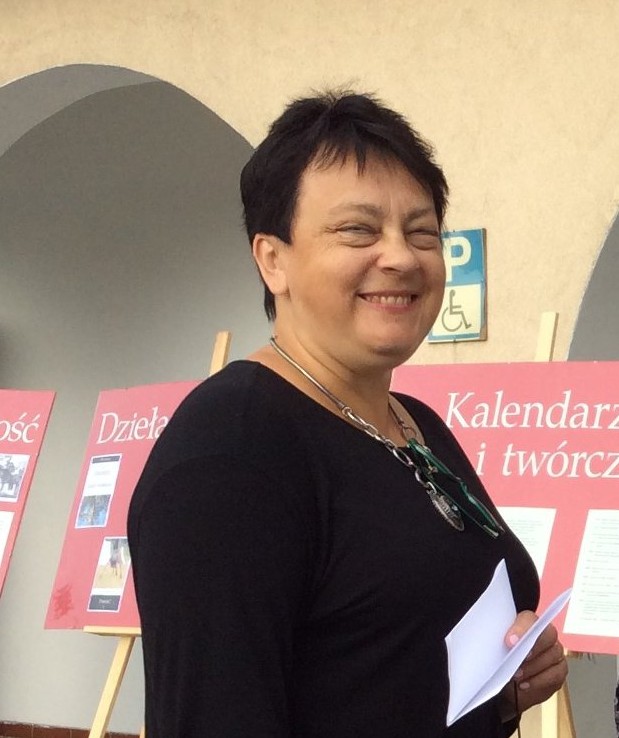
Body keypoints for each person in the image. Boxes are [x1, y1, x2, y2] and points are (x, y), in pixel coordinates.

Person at [128, 90, 568, 737]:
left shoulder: (415, 425)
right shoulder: (231, 456)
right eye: (358, 230)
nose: (400, 256)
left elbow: (384, 674)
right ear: (272, 259)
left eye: (421, 232)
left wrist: (504, 691)